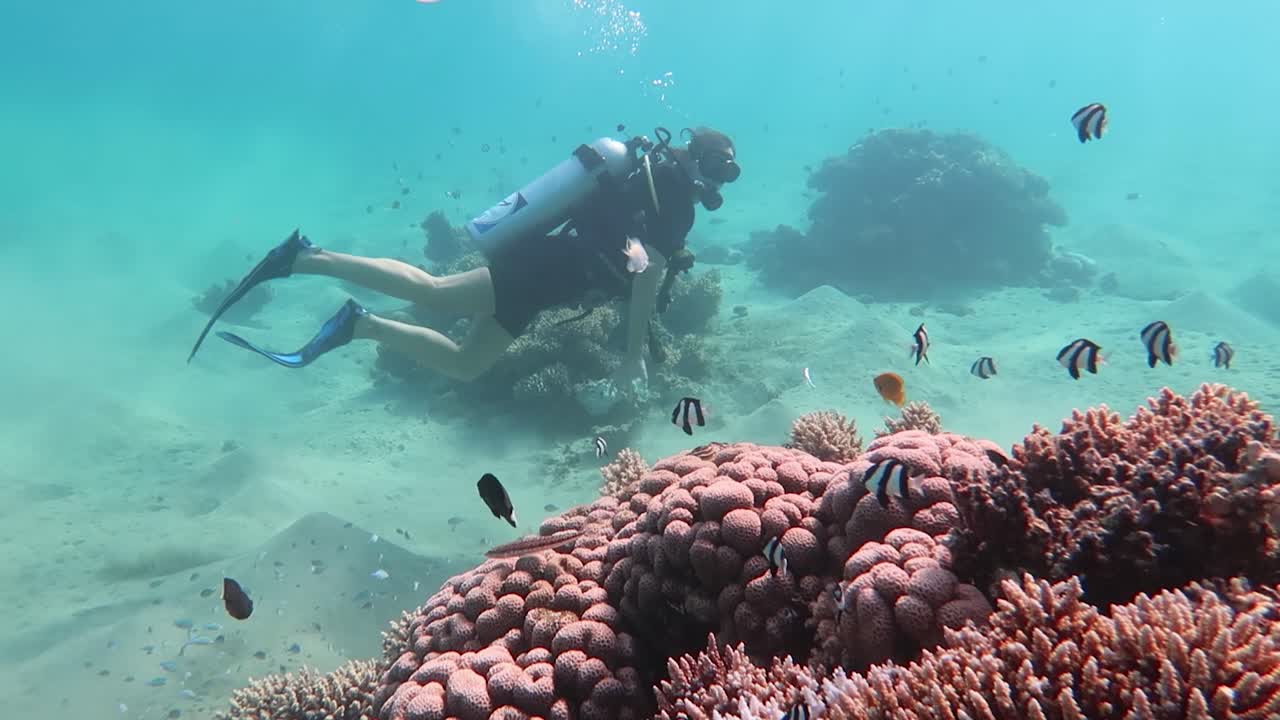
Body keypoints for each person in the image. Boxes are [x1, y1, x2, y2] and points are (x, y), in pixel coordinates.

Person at [187, 126, 740, 392]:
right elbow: (645, 274)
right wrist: (631, 356)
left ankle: (360, 324)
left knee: (465, 363)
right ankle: (307, 257)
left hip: (549, 282)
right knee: (432, 292)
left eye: (727, 174)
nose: (719, 183)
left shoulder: (656, 186)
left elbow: (630, 254)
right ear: (697, 159)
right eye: (719, 169)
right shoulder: (672, 199)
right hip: (545, 271)